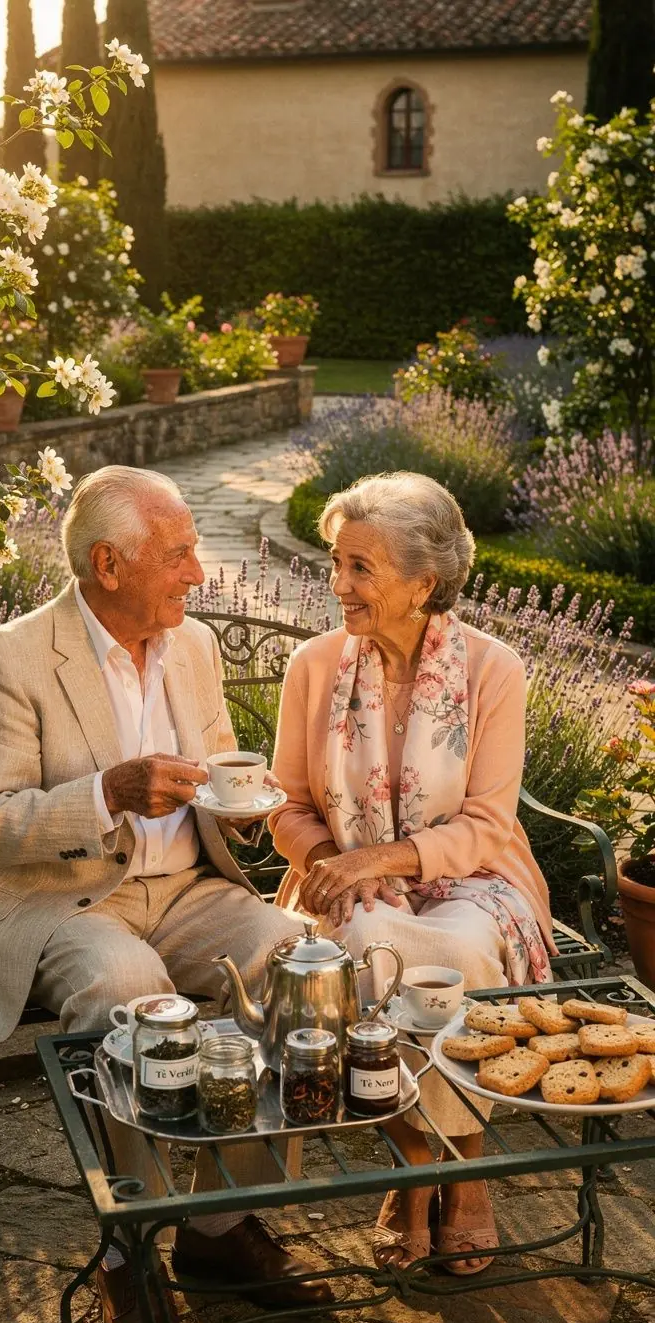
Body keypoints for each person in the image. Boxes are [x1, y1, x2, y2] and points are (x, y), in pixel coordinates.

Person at [0, 463, 330, 1323]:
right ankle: (129, 1252)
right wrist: (105, 792)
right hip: (64, 898)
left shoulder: (191, 647)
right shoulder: (10, 659)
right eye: (180, 553)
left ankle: (222, 1225)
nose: (199, 572)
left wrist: (245, 803)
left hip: (188, 888)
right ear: (108, 563)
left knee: (296, 959)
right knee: (128, 992)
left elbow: (219, 771)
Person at [269, 471, 555, 1275]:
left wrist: (382, 858)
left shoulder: (493, 670)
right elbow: (285, 805)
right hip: (341, 879)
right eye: (337, 562)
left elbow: (488, 824)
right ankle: (415, 1161)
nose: (339, 585)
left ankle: (460, 1170)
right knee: (364, 940)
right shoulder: (315, 665)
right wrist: (334, 861)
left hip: (473, 878)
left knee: (456, 953)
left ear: (424, 584)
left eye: (361, 568)